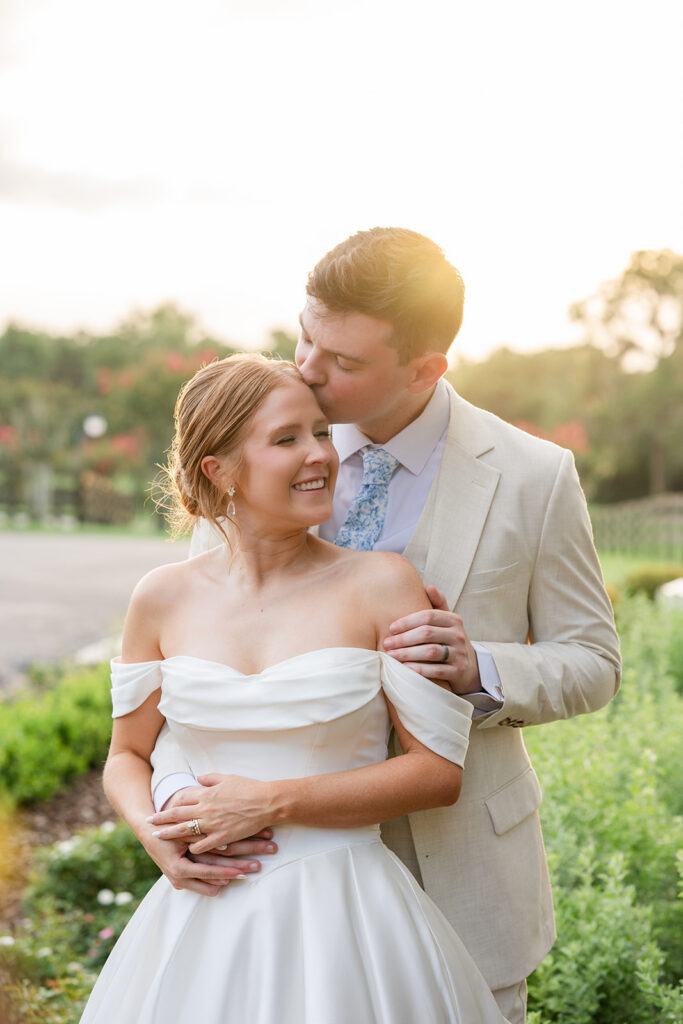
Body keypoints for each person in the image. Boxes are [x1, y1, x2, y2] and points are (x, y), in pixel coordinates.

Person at [149, 228, 621, 1024]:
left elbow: (593, 660)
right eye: (306, 336)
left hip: (463, 868)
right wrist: (171, 808)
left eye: (344, 361)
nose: (306, 368)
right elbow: (192, 670)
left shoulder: (534, 478)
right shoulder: (246, 452)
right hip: (269, 882)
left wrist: (480, 669)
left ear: (425, 368)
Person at [80, 353, 507, 1022]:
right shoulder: (160, 598)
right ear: (217, 471)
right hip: (201, 915)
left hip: (346, 913)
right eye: (286, 439)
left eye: (319, 433)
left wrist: (268, 803)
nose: (320, 455)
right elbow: (125, 756)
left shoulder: (381, 584)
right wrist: (152, 832)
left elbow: (435, 772)